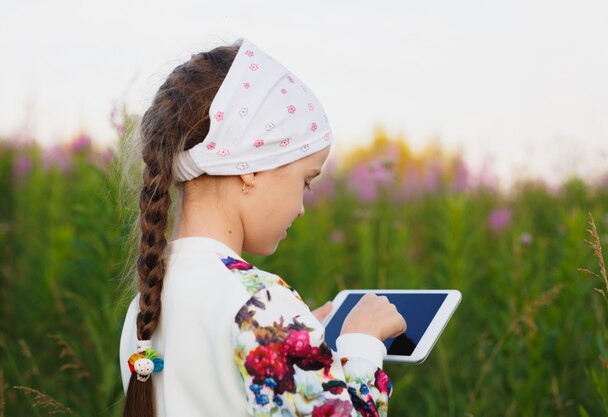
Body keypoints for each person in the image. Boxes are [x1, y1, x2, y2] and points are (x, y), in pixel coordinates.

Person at [118, 37, 407, 417]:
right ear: (251, 168)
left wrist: (297, 336)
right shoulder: (261, 305)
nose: (303, 208)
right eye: (305, 181)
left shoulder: (147, 300)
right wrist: (361, 348)